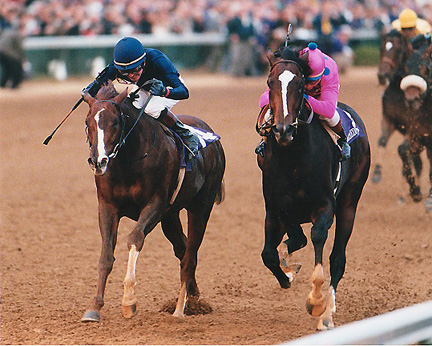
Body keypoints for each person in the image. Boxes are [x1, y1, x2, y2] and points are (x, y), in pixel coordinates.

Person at [82, 36, 200, 158]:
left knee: (152, 108)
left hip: (168, 87)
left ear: (143, 62)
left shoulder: (157, 59)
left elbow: (184, 92)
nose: (132, 75)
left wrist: (164, 92)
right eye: (125, 72)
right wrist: (87, 91)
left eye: (136, 69)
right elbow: (98, 83)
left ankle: (186, 135)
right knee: (128, 108)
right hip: (145, 86)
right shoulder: (116, 67)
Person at [255, 42, 351, 161]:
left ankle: (342, 140)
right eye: (308, 81)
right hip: (297, 88)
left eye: (314, 82)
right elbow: (263, 101)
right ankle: (264, 140)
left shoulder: (328, 73)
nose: (310, 86)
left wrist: (303, 97)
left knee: (328, 117)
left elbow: (328, 110)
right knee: (272, 111)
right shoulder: (294, 64)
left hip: (318, 94)